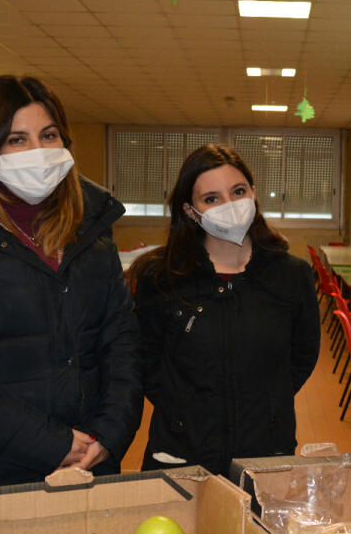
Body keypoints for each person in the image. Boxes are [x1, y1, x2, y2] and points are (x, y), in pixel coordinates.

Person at [0, 76, 141, 486]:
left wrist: (108, 433)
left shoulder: (92, 226)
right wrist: (52, 443)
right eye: (17, 140)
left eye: (48, 135)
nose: (38, 151)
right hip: (3, 459)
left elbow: (121, 340)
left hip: (93, 455)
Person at [129, 144, 320, 476]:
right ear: (190, 211)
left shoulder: (292, 275)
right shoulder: (159, 278)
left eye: (238, 191)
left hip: (265, 454)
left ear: (254, 193)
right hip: (182, 452)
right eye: (212, 199)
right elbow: (145, 363)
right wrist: (186, 411)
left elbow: (301, 357)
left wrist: (266, 404)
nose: (230, 205)